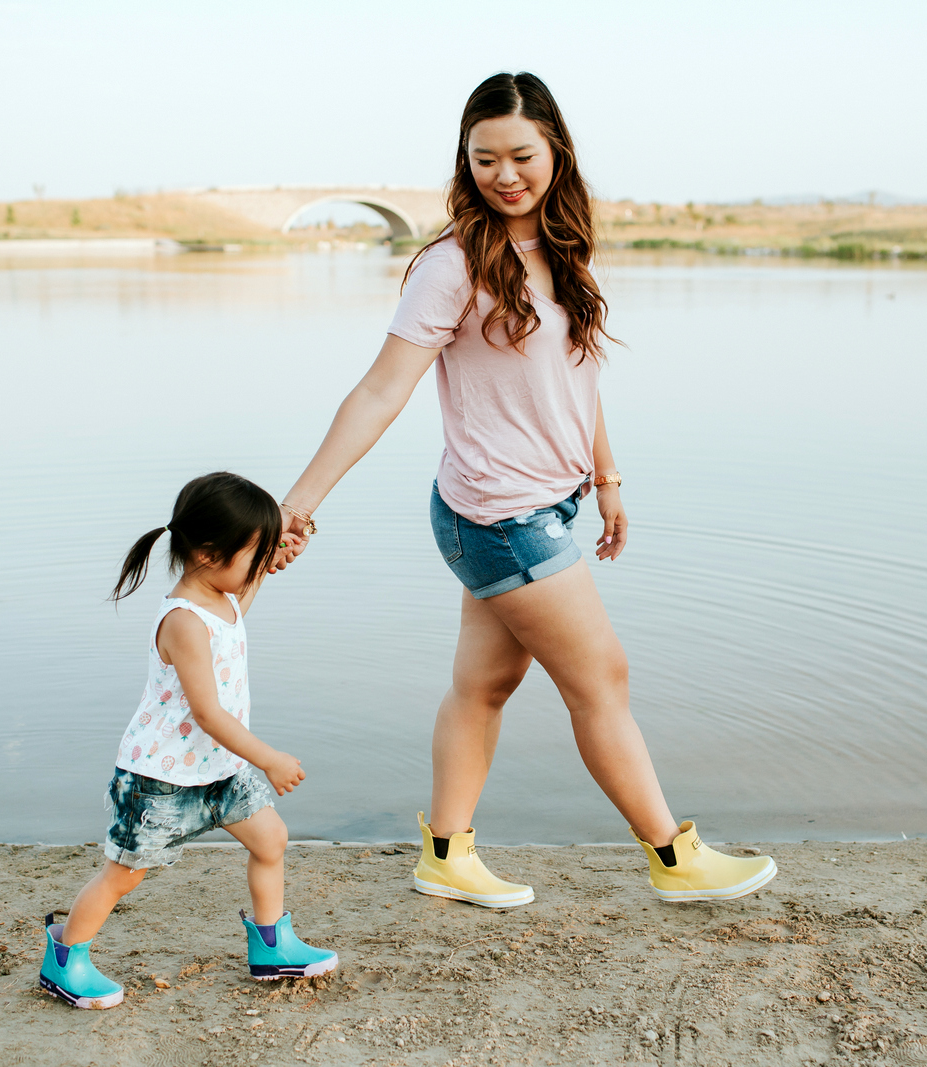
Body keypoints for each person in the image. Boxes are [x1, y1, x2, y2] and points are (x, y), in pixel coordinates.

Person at [276, 72, 775, 907]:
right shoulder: (451, 265)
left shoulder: (562, 247)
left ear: (555, 152)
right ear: (464, 162)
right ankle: (674, 856)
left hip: (543, 502)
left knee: (484, 685)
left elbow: (581, 377)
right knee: (601, 677)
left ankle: (445, 852)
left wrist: (606, 476)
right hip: (498, 512)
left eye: (521, 156)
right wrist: (299, 503)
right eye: (484, 159)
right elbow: (381, 389)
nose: (504, 176)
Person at [38, 472, 334, 1010]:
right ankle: (64, 960)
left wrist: (272, 554)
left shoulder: (224, 593)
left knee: (271, 840)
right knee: (123, 875)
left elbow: (248, 586)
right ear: (206, 551)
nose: (263, 563)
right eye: (256, 553)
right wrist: (269, 758)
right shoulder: (183, 621)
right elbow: (208, 712)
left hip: (218, 769)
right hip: (163, 779)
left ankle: (270, 945)